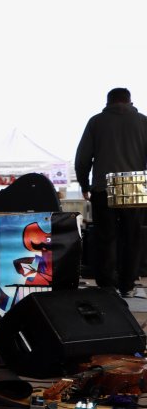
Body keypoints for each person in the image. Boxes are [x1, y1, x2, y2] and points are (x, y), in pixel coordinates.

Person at [75, 87, 147, 297]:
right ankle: (127, 286)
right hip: (134, 189)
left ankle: (106, 287)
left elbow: (82, 158)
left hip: (103, 188)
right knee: (132, 238)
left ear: (108, 102)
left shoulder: (96, 122)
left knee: (105, 237)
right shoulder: (143, 122)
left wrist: (84, 185)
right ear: (129, 101)